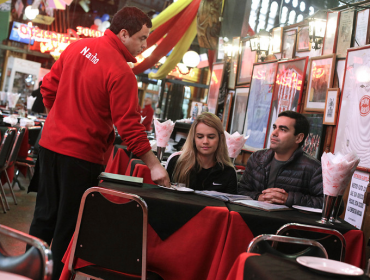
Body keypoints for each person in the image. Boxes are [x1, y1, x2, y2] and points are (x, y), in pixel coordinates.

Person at [28, 7, 170, 280]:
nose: (145, 45)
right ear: (124, 33)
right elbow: (129, 127)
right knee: (68, 228)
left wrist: (58, 120)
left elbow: (48, 88)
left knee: (43, 218)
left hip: (49, 146)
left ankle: (29, 273)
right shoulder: (121, 73)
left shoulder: (77, 47)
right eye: (142, 38)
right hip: (81, 157)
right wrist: (154, 165)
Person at [238, 111, 323, 208]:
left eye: (283, 129)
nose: (274, 133)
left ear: (298, 138)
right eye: (274, 127)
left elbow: (330, 205)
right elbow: (241, 190)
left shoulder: (313, 168)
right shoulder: (257, 158)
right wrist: (259, 197)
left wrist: (289, 199)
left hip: (288, 221)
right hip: (252, 217)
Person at [166, 112, 237, 193]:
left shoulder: (228, 172)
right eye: (200, 137)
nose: (205, 141)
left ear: (221, 138)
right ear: (193, 138)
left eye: (211, 137)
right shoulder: (176, 161)